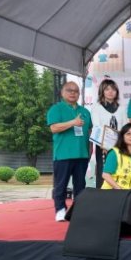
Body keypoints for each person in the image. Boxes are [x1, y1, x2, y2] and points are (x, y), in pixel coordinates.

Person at [47, 81, 92, 222]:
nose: (73, 93)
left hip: (82, 154)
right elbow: (54, 128)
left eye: (76, 91)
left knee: (80, 186)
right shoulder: (56, 109)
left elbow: (90, 132)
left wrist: (90, 150)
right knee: (61, 185)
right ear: (62, 92)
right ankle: (60, 210)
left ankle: (78, 210)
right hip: (63, 155)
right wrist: (73, 122)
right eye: (69, 90)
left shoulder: (85, 111)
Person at [90, 78, 128, 188]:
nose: (110, 92)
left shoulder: (122, 108)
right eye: (107, 89)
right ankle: (102, 195)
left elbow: (125, 127)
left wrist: (121, 144)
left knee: (119, 170)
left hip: (119, 145)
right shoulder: (97, 107)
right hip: (103, 146)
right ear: (102, 91)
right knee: (104, 171)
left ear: (117, 92)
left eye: (113, 89)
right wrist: (105, 145)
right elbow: (97, 127)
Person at [101, 123, 131, 190]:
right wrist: (120, 190)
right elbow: (106, 175)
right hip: (112, 191)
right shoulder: (114, 153)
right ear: (122, 136)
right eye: (128, 134)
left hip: (129, 192)